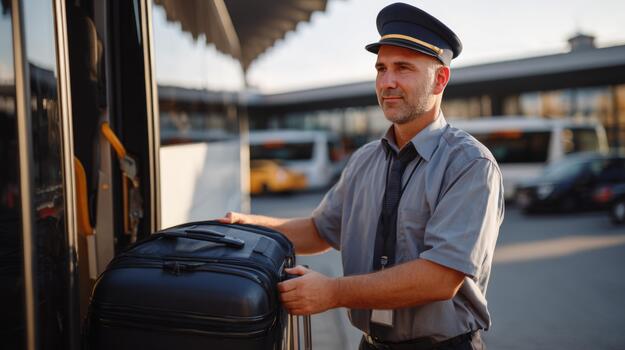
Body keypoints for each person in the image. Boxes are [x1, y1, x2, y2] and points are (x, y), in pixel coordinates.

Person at [219, 3, 504, 349]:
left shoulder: (470, 164)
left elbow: (440, 278)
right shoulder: (365, 160)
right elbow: (319, 231)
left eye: (403, 68)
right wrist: (247, 225)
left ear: (440, 79)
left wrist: (333, 291)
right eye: (381, 68)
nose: (387, 82)